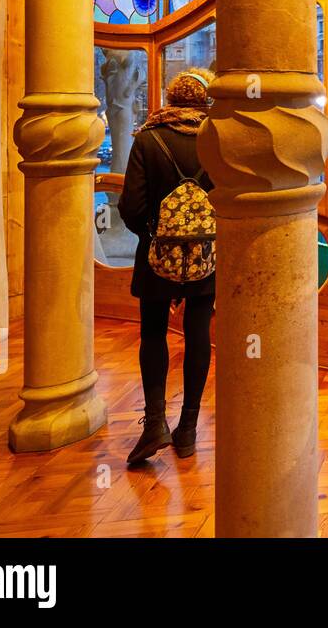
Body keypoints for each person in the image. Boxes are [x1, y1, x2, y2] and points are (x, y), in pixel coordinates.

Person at [118, 68, 217, 466]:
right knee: (197, 335)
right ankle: (188, 429)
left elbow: (131, 207)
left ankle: (155, 422)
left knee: (154, 335)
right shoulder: (217, 140)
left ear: (172, 98)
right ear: (205, 100)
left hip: (156, 255)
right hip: (206, 256)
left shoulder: (147, 139)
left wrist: (155, 237)